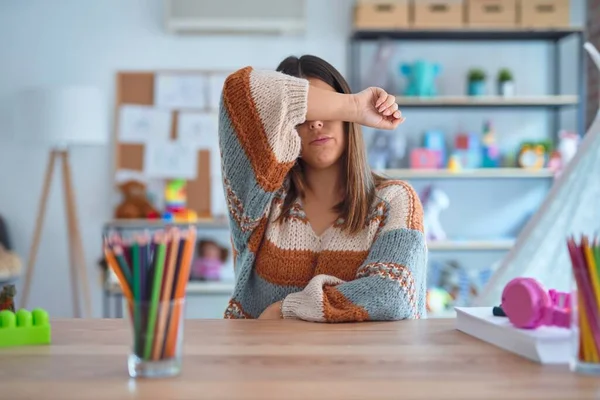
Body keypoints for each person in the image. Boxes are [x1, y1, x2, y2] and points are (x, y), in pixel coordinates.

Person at [218, 55, 427, 322]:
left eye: (327, 109)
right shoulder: (258, 201)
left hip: (363, 363)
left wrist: (288, 309)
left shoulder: (394, 200)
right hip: (264, 361)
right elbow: (238, 92)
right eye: (303, 112)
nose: (315, 122)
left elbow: (392, 294)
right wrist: (352, 105)